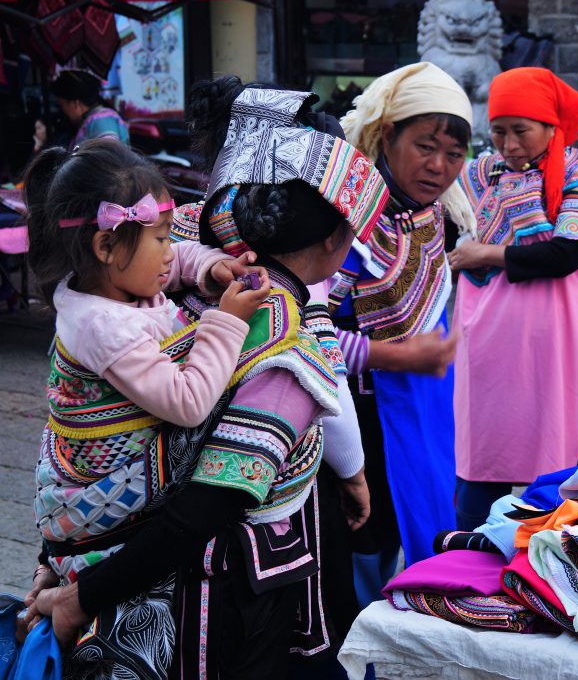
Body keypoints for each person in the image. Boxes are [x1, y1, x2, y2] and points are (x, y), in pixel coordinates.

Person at [26, 109, 388, 678]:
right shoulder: (275, 343)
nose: (171, 251)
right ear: (334, 239)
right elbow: (207, 502)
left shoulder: (149, 281)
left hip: (125, 565)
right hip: (214, 601)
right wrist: (82, 594)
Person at [446, 67, 578, 531]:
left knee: (554, 450)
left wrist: (484, 253)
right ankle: (469, 546)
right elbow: (444, 231)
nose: (509, 144)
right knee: (480, 454)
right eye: (499, 131)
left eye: (521, 131)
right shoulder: (479, 172)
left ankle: (545, 550)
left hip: (550, 338)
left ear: (550, 125)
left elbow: (566, 253)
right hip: (484, 337)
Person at [334, 60, 471, 610]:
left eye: (454, 154)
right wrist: (398, 356)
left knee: (415, 531)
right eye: (425, 146)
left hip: (420, 423)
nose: (439, 167)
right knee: (362, 552)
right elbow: (296, 336)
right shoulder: (347, 219)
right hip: (355, 427)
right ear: (387, 134)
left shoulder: (432, 215)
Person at [51, 70, 130, 148]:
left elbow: (109, 157)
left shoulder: (102, 121)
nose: (62, 111)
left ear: (75, 103)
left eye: (61, 105)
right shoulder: (93, 120)